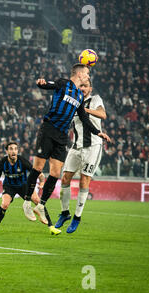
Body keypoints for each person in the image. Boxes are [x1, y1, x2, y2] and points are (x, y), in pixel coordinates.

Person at [22, 64, 111, 235]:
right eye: (86, 73)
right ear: (78, 74)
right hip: (48, 130)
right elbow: (49, 85)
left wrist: (98, 132)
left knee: (55, 174)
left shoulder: (78, 95)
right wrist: (40, 83)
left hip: (62, 137)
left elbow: (85, 118)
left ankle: (41, 205)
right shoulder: (64, 83)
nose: (87, 75)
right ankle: (26, 202)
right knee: (38, 168)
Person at [56, 79, 107, 233]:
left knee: (84, 180)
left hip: (93, 146)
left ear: (90, 88)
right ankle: (65, 213)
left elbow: (102, 114)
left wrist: (84, 110)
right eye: (80, 86)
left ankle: (77, 217)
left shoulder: (95, 99)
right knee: (65, 178)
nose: (83, 88)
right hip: (76, 146)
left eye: (85, 86)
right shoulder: (73, 102)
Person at [0, 141, 45, 236]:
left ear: (17, 151)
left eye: (15, 149)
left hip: (23, 185)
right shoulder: (2, 162)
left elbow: (36, 172)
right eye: (11, 149)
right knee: (4, 204)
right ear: (7, 151)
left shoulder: (23, 161)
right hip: (9, 186)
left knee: (37, 201)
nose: (13, 151)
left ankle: (51, 226)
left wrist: (42, 181)